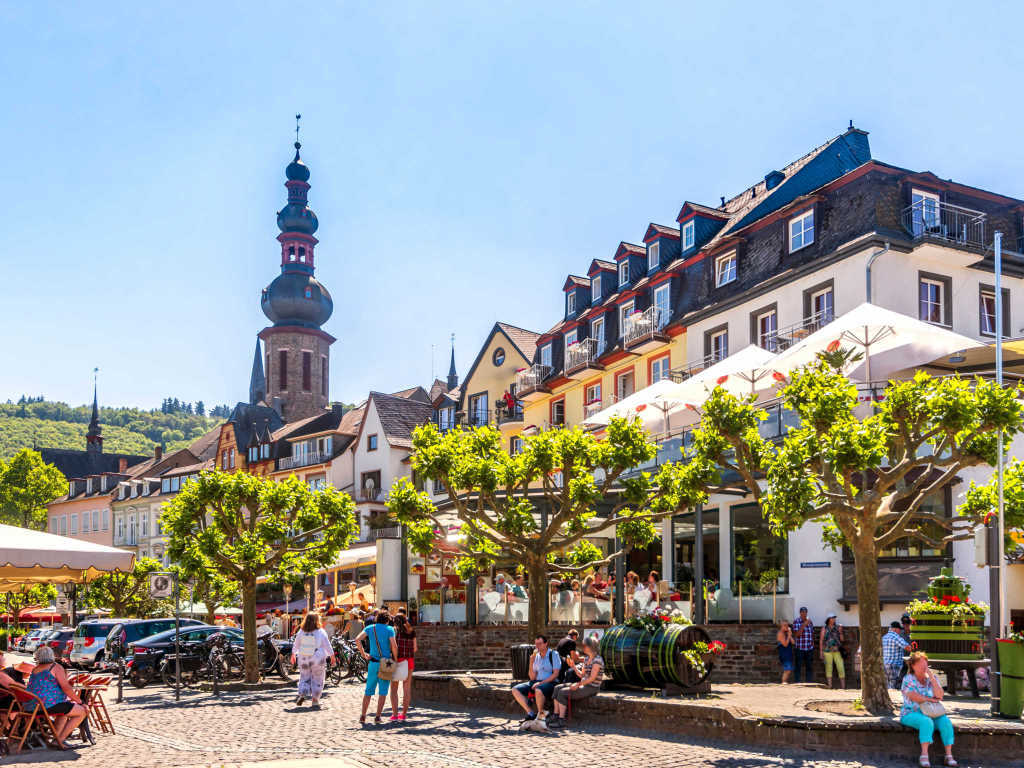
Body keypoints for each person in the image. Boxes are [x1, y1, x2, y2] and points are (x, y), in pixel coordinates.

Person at [900, 651, 956, 767]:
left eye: (925, 664)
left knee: (946, 722)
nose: (923, 667)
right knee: (926, 722)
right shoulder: (908, 679)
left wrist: (932, 677)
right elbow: (912, 696)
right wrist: (930, 699)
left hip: (932, 713)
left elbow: (940, 695)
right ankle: (924, 755)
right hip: (911, 713)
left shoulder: (932, 678)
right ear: (913, 666)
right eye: (920, 664)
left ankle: (949, 755)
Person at [26, 645, 88, 747]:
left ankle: (57, 740)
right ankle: (60, 740)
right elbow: (66, 688)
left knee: (63, 712)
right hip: (48, 705)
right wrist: (81, 702)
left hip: (32, 705)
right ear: (51, 656)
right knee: (82, 711)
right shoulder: (55, 667)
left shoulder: (35, 669)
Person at [548, 635, 604, 728]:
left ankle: (561, 720)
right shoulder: (586, 658)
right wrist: (573, 666)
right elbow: (582, 675)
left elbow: (592, 678)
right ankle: (556, 715)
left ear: (590, 646)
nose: (582, 647)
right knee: (557, 688)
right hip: (583, 684)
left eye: (584, 645)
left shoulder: (598, 660)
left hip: (592, 687)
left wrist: (578, 684)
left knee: (562, 692)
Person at [356, 609, 399, 724]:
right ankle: (378, 716)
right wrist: (396, 659)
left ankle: (363, 715)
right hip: (386, 663)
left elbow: (357, 639)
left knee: (368, 690)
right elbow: (394, 646)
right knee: (383, 691)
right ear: (387, 620)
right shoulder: (390, 629)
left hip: (373, 662)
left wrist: (363, 653)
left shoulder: (370, 628)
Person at [290, 611, 334, 710]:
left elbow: (296, 644)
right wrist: (332, 655)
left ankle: (303, 693)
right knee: (318, 679)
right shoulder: (321, 631)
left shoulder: (301, 631)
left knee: (304, 677)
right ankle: (315, 700)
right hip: (317, 658)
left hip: (304, 657)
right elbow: (327, 644)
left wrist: (293, 654)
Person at [511, 635, 560, 723]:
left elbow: (555, 674)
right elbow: (532, 677)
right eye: (536, 644)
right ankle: (531, 713)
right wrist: (531, 662)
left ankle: (540, 715)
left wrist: (540, 683)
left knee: (538, 689)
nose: (537, 646)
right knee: (515, 689)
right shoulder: (536, 656)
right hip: (536, 682)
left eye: (540, 644)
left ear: (546, 644)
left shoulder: (553, 654)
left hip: (551, 682)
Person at [390, 614, 417, 721]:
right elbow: (415, 648)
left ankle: (395, 715)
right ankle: (404, 715)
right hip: (409, 661)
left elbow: (394, 647)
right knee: (407, 689)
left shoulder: (395, 631)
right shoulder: (412, 631)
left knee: (394, 689)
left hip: (398, 661)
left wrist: (395, 659)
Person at [819, 613, 845, 689]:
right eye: (832, 618)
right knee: (828, 668)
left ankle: (843, 687)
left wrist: (840, 632)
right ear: (828, 619)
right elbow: (821, 640)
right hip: (827, 651)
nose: (834, 619)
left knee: (841, 667)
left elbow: (842, 639)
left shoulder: (837, 627)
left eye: (834, 618)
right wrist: (821, 652)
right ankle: (830, 686)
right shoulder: (824, 628)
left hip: (837, 651)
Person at [883, 620, 911, 689]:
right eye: (899, 630)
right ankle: (892, 697)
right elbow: (908, 647)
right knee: (893, 683)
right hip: (894, 665)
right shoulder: (896, 637)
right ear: (895, 629)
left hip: (884, 664)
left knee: (887, 683)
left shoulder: (884, 637)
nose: (900, 632)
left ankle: (888, 697)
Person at [791, 607, 814, 683]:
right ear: (800, 613)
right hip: (800, 648)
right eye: (802, 612)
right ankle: (797, 683)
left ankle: (809, 683)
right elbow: (797, 634)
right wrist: (804, 624)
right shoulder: (796, 621)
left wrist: (812, 644)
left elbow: (812, 634)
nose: (804, 614)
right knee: (798, 667)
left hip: (809, 648)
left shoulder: (810, 622)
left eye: (805, 612)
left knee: (809, 667)